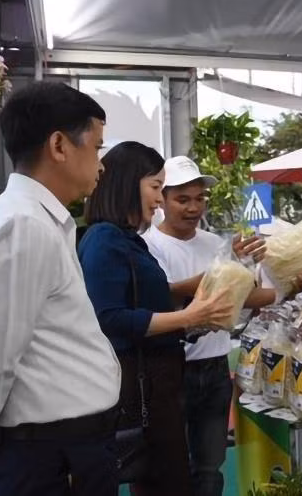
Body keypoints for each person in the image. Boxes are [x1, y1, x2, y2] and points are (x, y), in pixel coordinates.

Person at [0, 82, 121, 496]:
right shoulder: (23, 226)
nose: (101, 164)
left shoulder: (37, 221)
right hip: (46, 457)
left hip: (61, 450)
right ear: (59, 145)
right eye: (96, 147)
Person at [141, 156, 302, 496]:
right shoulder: (149, 246)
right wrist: (222, 272)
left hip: (215, 368)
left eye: (200, 198)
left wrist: (290, 288)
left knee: (210, 466)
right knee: (168, 466)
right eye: (183, 199)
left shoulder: (214, 245)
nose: (194, 207)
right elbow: (165, 297)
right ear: (162, 198)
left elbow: (242, 296)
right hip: (171, 370)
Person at [78, 143, 232, 496]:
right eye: (154, 187)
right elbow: (109, 318)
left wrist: (192, 322)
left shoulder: (127, 240)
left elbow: (147, 304)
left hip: (160, 388)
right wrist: (187, 317)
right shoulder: (104, 240)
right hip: (142, 389)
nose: (159, 200)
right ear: (127, 184)